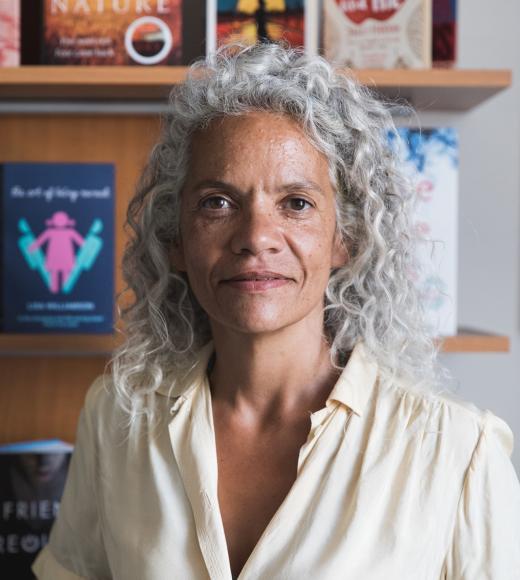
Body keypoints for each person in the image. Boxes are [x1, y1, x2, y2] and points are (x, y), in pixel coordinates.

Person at [32, 43, 520, 580]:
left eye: (296, 203)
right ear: (175, 239)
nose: (256, 237)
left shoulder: (457, 451)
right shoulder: (117, 416)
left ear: (346, 238)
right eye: (217, 202)